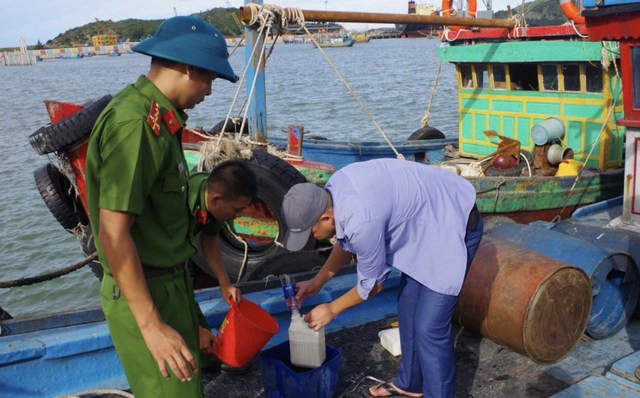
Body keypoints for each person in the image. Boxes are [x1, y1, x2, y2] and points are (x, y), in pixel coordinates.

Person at [85, 15, 239, 398]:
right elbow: (113, 233)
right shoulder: (135, 124)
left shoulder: (159, 121)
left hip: (170, 284)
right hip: (146, 292)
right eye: (209, 79)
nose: (209, 91)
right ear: (188, 68)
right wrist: (151, 326)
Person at [281, 159, 483, 398]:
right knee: (408, 309)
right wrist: (317, 283)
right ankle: (411, 383)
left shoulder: (361, 218)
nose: (312, 239)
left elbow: (374, 285)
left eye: (311, 232)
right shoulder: (333, 191)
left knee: (430, 328)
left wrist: (332, 309)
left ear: (326, 218)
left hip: (454, 221)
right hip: (424, 225)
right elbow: (346, 243)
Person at [187, 160, 257, 360]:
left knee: (209, 353)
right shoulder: (178, 205)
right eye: (236, 210)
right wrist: (194, 330)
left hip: (177, 274)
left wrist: (224, 283)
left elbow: (209, 239)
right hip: (152, 277)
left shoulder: (210, 200)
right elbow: (159, 269)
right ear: (216, 200)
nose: (237, 216)